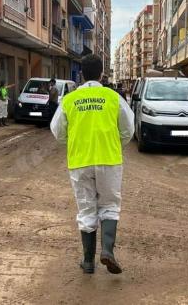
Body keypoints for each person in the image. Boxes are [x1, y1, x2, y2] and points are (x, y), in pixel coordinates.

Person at [51, 54, 134, 275]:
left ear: (81, 74)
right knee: (109, 206)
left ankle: (88, 261)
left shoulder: (70, 99)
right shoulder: (113, 97)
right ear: (101, 74)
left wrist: (74, 143)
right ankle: (107, 251)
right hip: (109, 159)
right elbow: (129, 129)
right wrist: (115, 144)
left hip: (80, 161)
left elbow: (57, 130)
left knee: (86, 208)